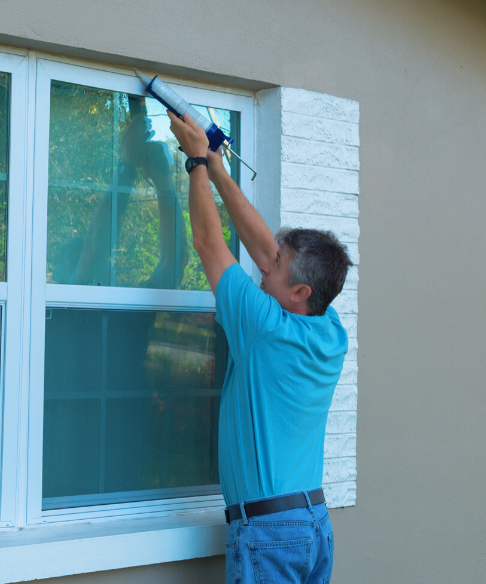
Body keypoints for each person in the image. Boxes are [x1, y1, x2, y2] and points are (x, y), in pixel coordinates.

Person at [168, 110, 353, 584]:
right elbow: (266, 249)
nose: (264, 268)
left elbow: (209, 243)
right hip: (313, 525)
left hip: (270, 534)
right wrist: (221, 172)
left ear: (300, 293)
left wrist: (195, 164)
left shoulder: (264, 327)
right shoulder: (330, 330)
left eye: (274, 269)